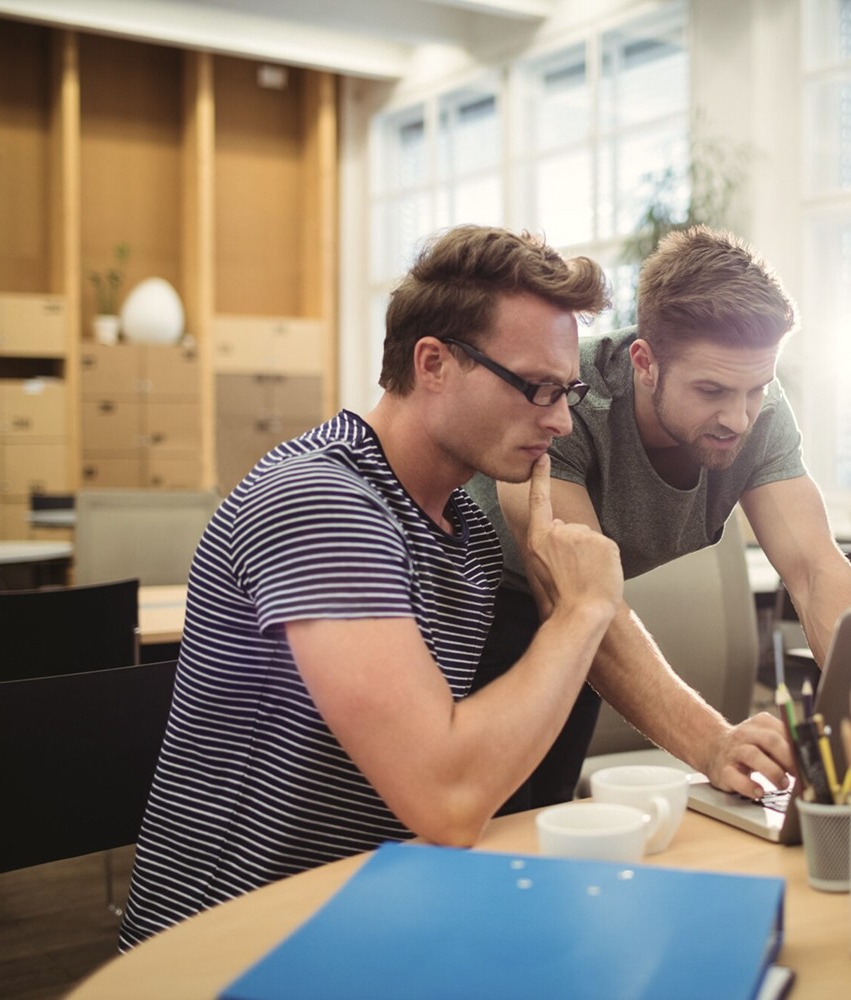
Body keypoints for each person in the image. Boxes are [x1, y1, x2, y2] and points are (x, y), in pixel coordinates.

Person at [118, 226, 622, 948]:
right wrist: (585, 609)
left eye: (566, 390)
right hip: (232, 942)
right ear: (434, 364)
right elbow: (447, 800)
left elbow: (470, 765)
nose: (560, 419)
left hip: (370, 916)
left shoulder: (469, 538)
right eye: (536, 387)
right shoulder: (320, 500)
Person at [465, 225, 851, 811]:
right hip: (477, 615)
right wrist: (713, 743)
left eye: (756, 388)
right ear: (645, 362)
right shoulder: (564, 399)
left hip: (581, 626)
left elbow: (813, 570)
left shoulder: (759, 409)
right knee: (485, 834)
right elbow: (573, 596)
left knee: (549, 826)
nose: (738, 416)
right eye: (711, 390)